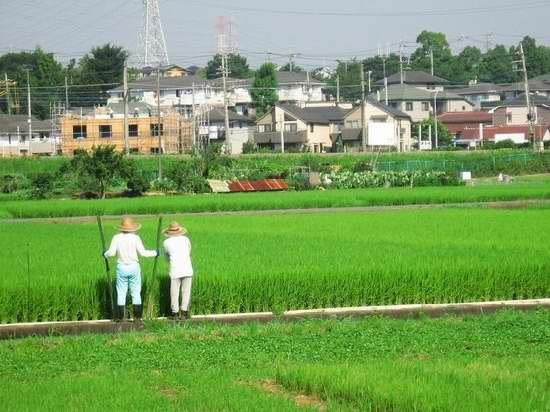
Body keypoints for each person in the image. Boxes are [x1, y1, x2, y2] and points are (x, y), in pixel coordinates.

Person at [104, 216, 158, 321]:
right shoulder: (135, 238)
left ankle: (120, 318)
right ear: (132, 228)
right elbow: (143, 253)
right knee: (136, 292)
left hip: (121, 267)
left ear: (121, 228)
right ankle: (137, 318)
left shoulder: (116, 237)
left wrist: (104, 254)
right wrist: (155, 253)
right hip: (134, 267)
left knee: (121, 292)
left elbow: (111, 253)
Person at [163, 221, 194, 320]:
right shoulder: (186, 239)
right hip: (187, 268)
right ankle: (184, 313)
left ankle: (175, 313)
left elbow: (167, 256)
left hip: (175, 270)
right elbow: (189, 252)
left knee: (174, 292)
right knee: (186, 291)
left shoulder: (166, 242)